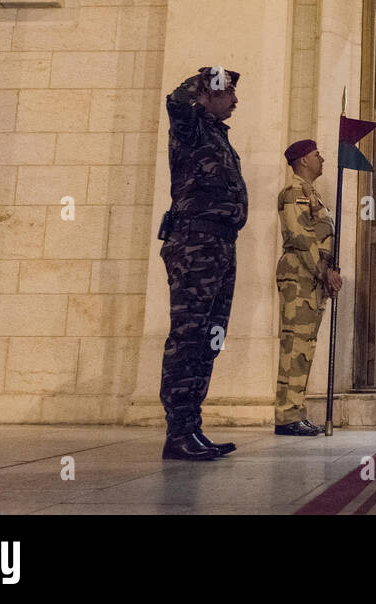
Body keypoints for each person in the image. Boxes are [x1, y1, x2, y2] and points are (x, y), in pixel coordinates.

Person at [157, 66, 247, 461]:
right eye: (227, 91)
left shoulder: (218, 136)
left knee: (211, 337)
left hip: (221, 245)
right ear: (207, 94)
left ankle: (192, 427)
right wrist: (209, 73)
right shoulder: (190, 127)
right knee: (188, 337)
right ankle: (177, 431)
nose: (235, 99)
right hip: (194, 243)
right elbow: (176, 99)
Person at [274, 139, 343, 436]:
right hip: (300, 276)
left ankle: (295, 411)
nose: (322, 159)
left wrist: (327, 271)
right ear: (303, 160)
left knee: (305, 348)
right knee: (295, 346)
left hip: (312, 279)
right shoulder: (294, 193)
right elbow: (301, 237)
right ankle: (287, 415)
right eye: (317, 155)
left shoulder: (312, 193)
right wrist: (324, 271)